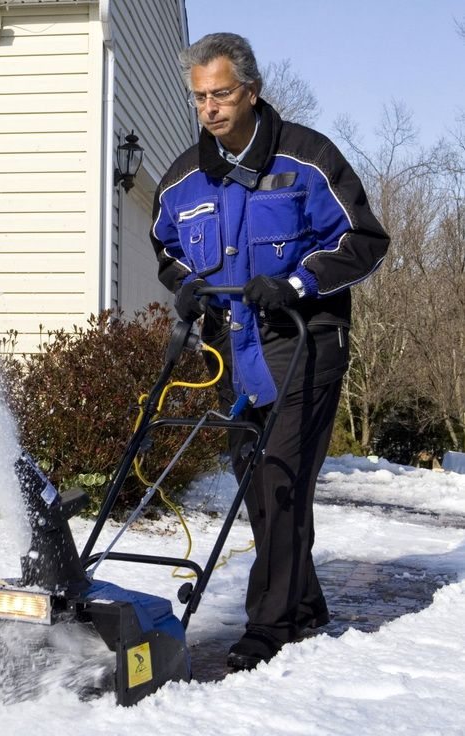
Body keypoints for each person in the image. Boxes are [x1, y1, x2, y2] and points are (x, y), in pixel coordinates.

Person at [150, 33, 389, 671]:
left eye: (222, 94)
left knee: (281, 476)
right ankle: (303, 601)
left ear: (251, 91)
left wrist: (295, 282)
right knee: (256, 482)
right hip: (228, 345)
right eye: (200, 96)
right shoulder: (182, 179)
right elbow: (167, 250)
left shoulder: (309, 159)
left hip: (302, 339)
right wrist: (189, 289)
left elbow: (364, 238)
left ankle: (270, 624)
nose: (210, 108)